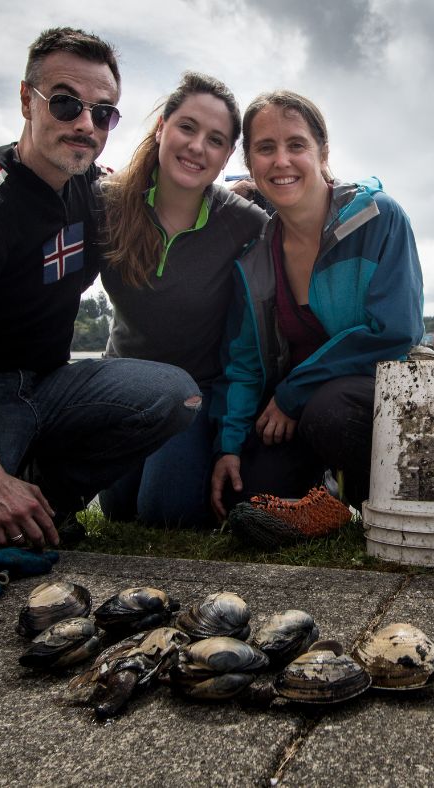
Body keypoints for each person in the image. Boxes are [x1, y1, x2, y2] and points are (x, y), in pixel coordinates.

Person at [0, 27, 201, 589]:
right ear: (27, 100)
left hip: (48, 385)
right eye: (67, 103)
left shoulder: (92, 188)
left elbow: (165, 190)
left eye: (104, 113)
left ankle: (47, 501)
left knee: (175, 394)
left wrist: (253, 188)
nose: (85, 126)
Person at [209, 90, 424, 521]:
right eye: (265, 148)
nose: (281, 161)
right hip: (296, 410)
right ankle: (327, 504)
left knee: (332, 409)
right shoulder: (255, 258)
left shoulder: (378, 219)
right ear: (250, 164)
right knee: (244, 500)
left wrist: (294, 391)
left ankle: (385, 507)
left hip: (369, 401)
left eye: (296, 145)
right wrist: (229, 446)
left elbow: (395, 331)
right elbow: (245, 362)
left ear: (322, 152)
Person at [98, 72, 268, 527]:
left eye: (215, 140)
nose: (197, 147)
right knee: (117, 511)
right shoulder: (106, 204)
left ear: (228, 155)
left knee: (165, 512)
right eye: (187, 127)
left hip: (196, 392)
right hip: (123, 385)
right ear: (162, 128)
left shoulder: (245, 224)